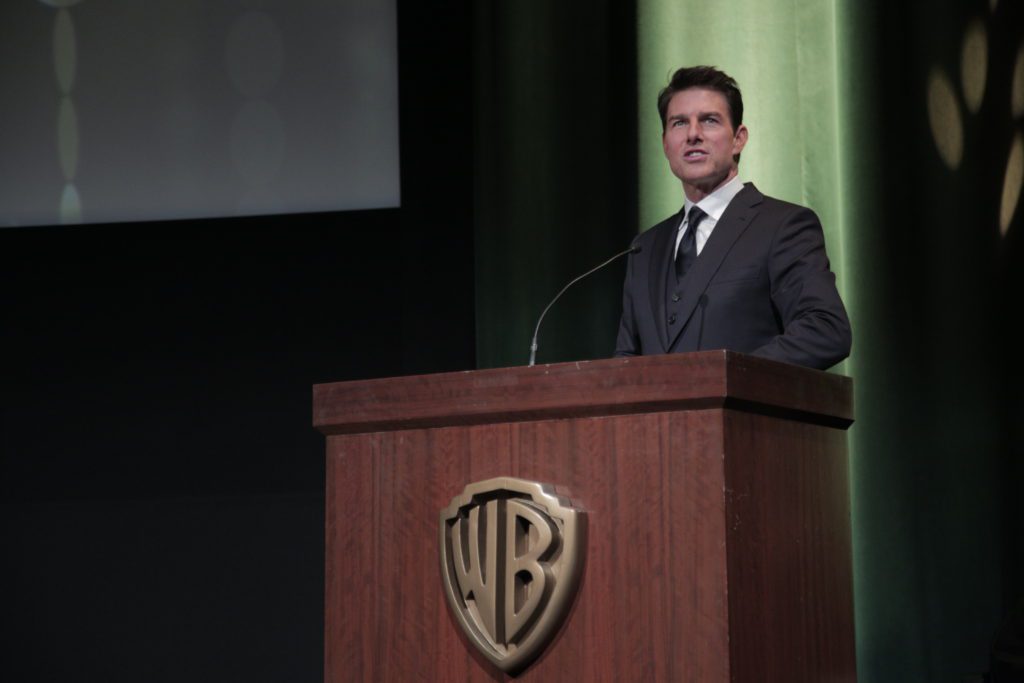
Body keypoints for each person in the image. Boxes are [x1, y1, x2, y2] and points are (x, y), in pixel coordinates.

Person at [615, 66, 851, 370]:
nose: (693, 134)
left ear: (739, 139)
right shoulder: (644, 249)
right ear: (664, 143)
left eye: (709, 120)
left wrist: (728, 377)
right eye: (679, 123)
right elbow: (625, 362)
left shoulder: (782, 226)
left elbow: (826, 330)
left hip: (743, 416)